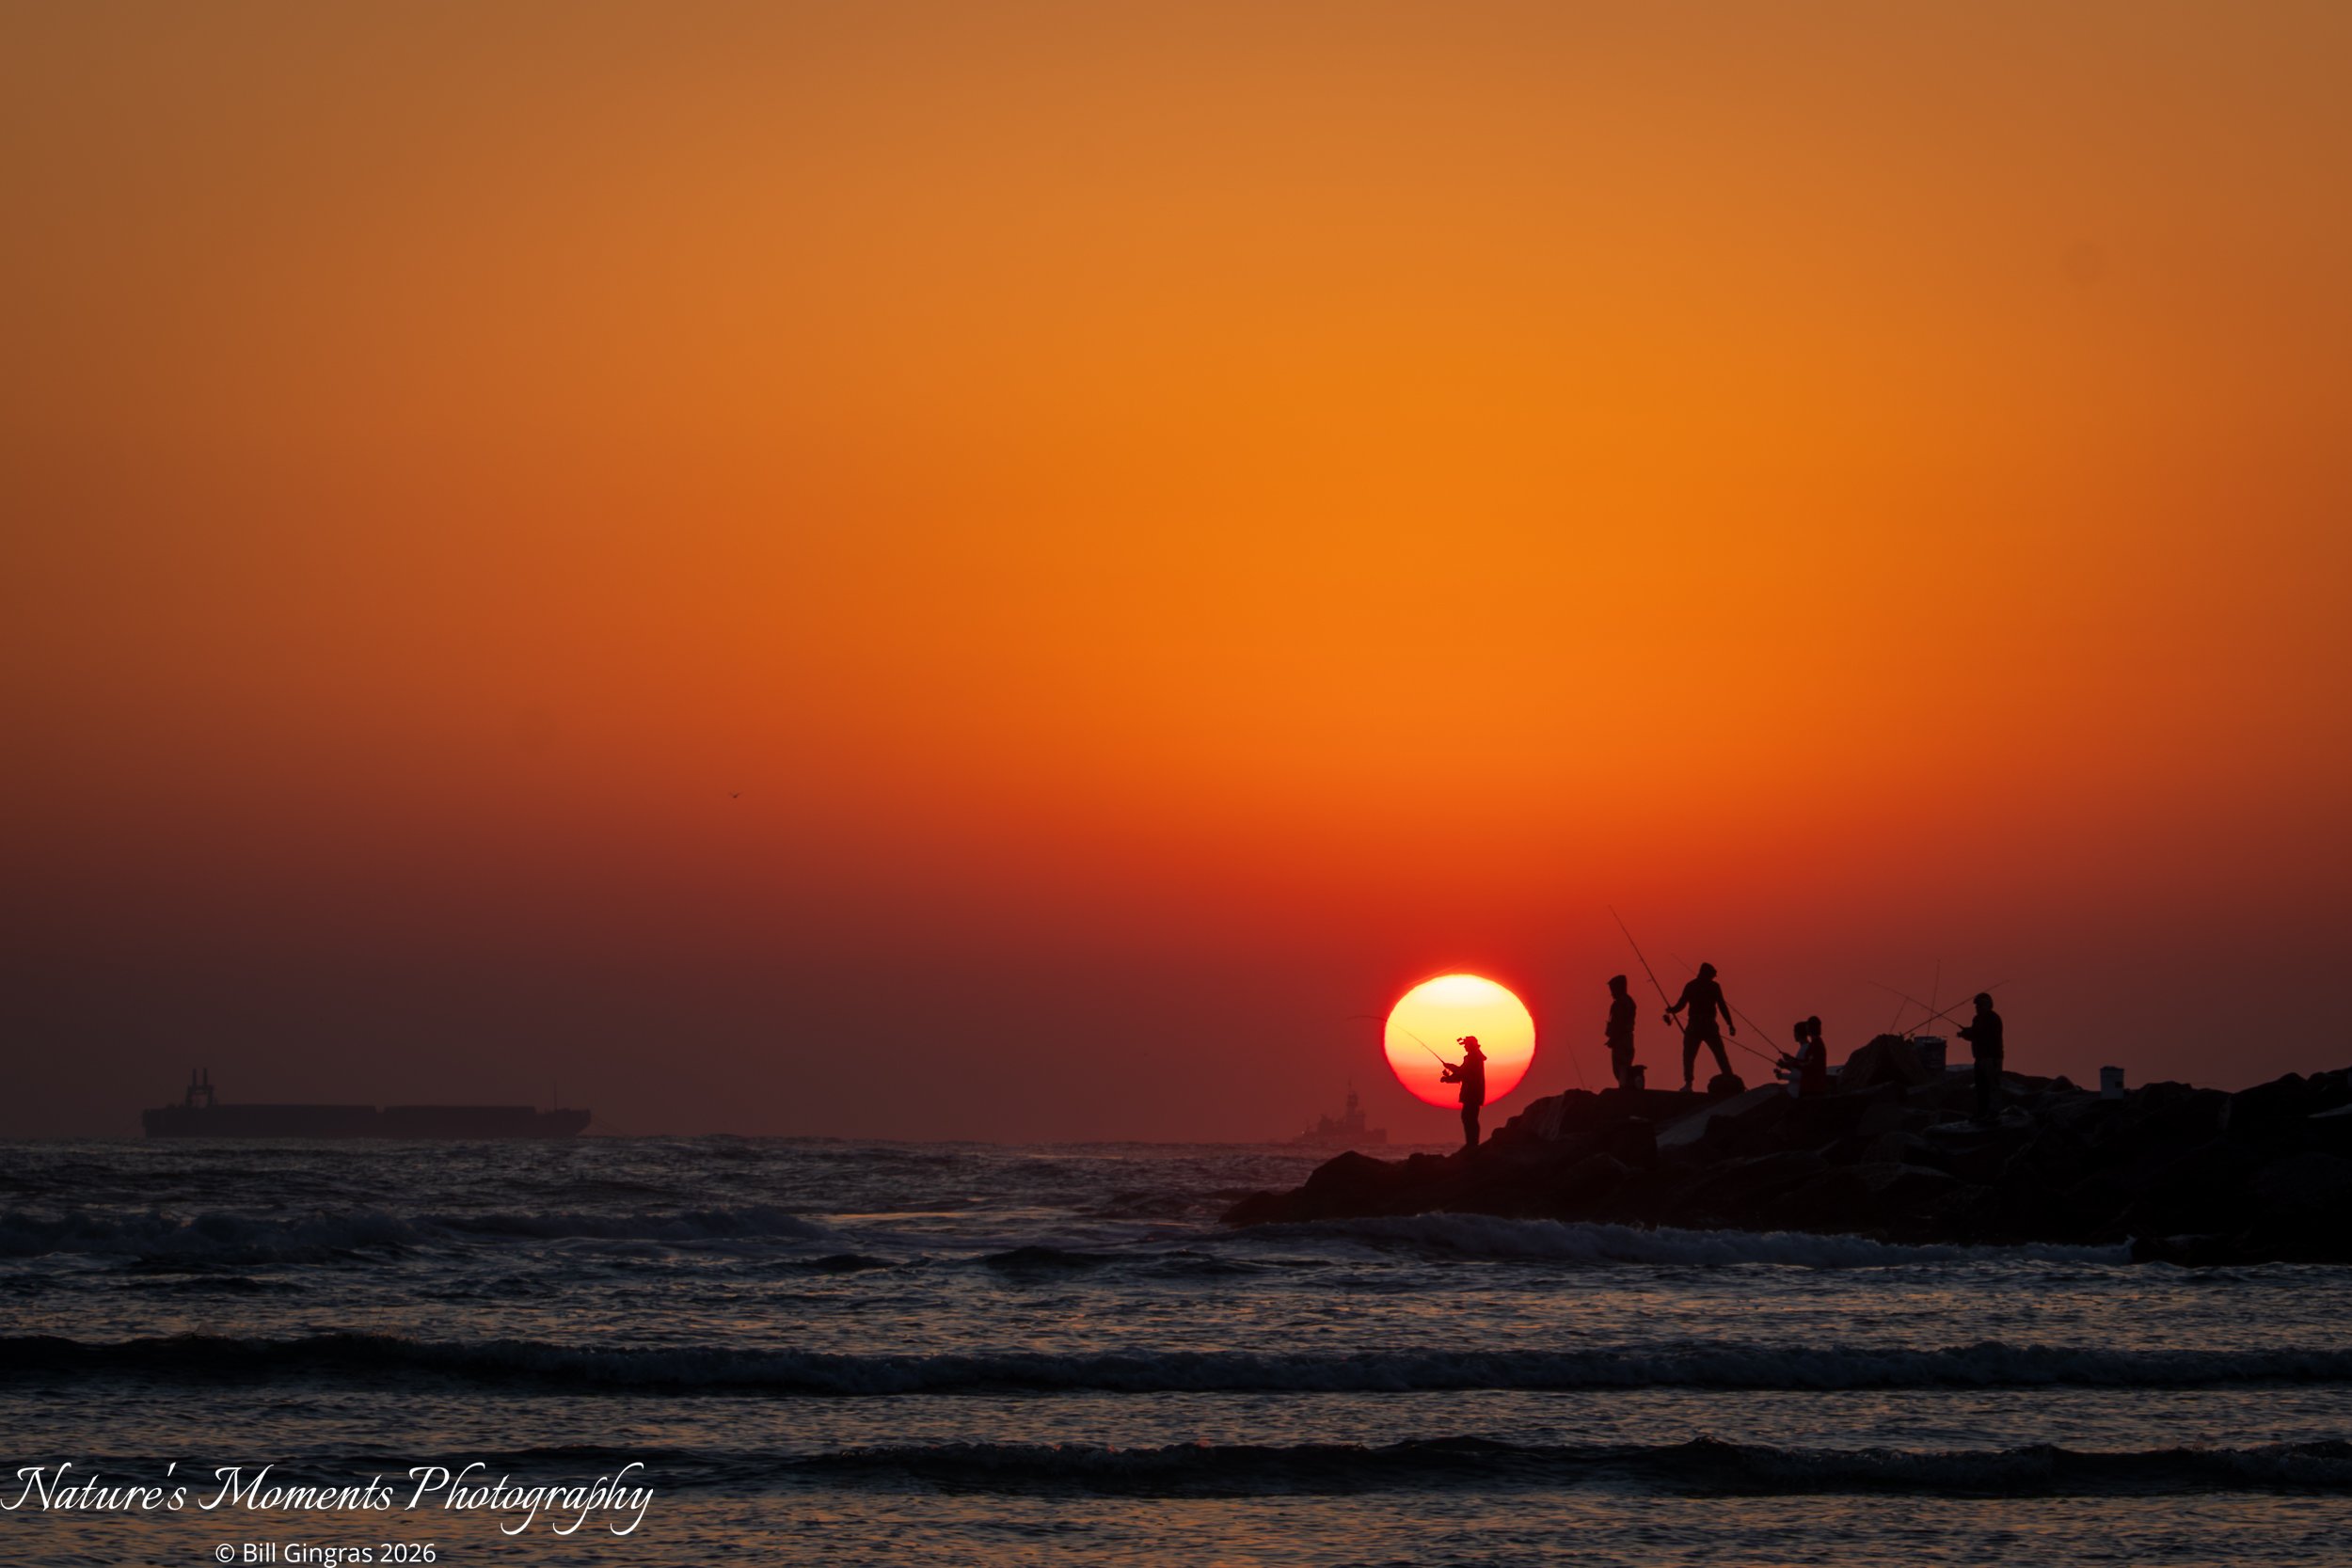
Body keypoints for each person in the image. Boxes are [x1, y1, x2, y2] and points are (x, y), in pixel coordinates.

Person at [1664, 961, 1736, 1091]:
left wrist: (1671, 1010)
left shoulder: (1691, 986)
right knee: (1719, 1054)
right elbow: (1722, 1007)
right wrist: (1730, 1024)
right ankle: (1729, 1078)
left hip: (1695, 1025)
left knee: (1689, 1055)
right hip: (1708, 1025)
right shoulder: (1713, 987)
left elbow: (1681, 1005)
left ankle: (1689, 1084)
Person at [1957, 992, 2004, 1121]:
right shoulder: (1977, 1019)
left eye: (1980, 1005)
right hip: (1979, 1058)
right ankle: (1981, 1112)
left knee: (1992, 1086)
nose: (1977, 1007)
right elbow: (1975, 1034)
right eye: (1976, 1005)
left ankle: (1994, 1114)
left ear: (1988, 1005)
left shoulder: (1993, 1018)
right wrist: (1965, 1034)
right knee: (1980, 1086)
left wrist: (1968, 1032)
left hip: (1992, 1058)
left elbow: (1982, 1034)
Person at [1439, 1035, 1487, 1150]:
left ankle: (1472, 1144)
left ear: (1471, 1046)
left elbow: (1463, 1073)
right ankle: (1472, 1143)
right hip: (1474, 1092)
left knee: (1468, 1117)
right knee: (1470, 1117)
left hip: (1472, 1093)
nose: (1465, 1047)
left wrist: (1450, 1068)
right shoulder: (1474, 1057)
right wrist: (1448, 1078)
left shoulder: (1473, 1058)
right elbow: (1462, 1074)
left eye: (1466, 1045)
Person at [1604, 975, 1640, 1089]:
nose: (1611, 993)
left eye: (1613, 989)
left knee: (1620, 1067)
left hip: (1621, 1040)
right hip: (1628, 1039)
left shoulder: (1620, 1004)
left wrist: (1612, 1039)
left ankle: (1625, 1087)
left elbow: (1619, 1024)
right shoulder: (1629, 1002)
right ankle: (1629, 1085)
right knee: (1625, 1066)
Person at [1778, 1016, 1828, 1098]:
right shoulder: (1814, 1045)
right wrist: (1790, 1061)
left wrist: (1789, 1065)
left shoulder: (1815, 1046)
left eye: (1808, 1025)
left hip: (1812, 1090)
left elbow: (1808, 1066)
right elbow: (1805, 1063)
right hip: (1810, 1089)